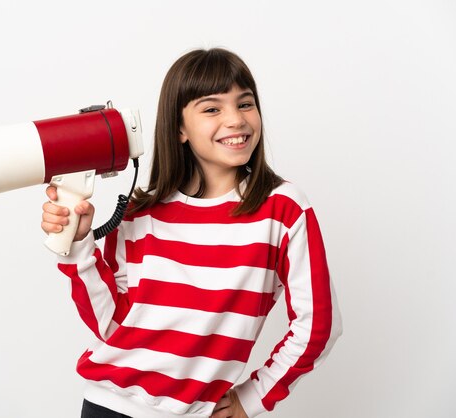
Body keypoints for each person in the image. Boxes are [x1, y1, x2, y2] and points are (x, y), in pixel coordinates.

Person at [42, 48, 342, 418]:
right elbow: (113, 326)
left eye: (245, 104)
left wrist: (253, 397)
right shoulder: (139, 213)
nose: (236, 120)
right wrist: (78, 246)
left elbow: (318, 325)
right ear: (179, 128)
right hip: (108, 406)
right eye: (212, 108)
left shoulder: (282, 210)